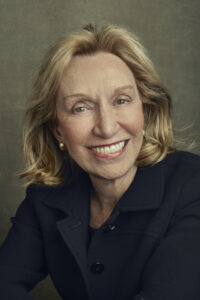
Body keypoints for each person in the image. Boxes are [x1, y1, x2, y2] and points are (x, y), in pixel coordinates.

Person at [0, 23, 200, 300]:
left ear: (146, 110)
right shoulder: (44, 200)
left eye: (121, 100)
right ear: (57, 129)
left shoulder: (192, 185)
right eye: (80, 108)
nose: (106, 128)